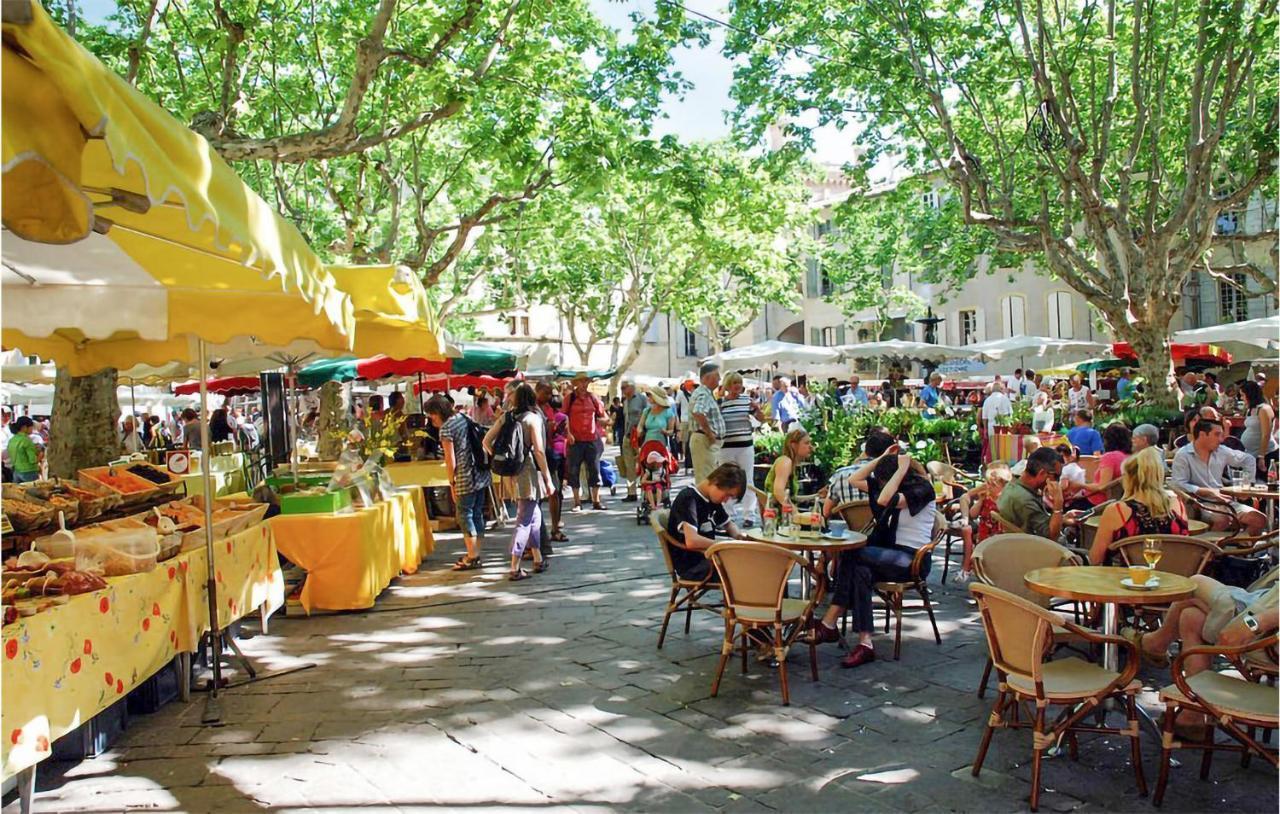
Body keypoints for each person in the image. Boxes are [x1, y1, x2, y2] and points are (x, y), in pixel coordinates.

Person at [809, 437, 938, 668]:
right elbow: (854, 478)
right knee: (859, 570)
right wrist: (883, 457)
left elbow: (886, 498)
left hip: (912, 559)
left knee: (853, 554)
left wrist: (901, 468)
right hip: (887, 555)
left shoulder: (922, 489)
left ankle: (829, 622)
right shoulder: (887, 484)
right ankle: (865, 643)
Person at [484, 383, 553, 581]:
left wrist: (505, 461)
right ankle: (514, 566)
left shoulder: (506, 416)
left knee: (534, 515)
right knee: (524, 519)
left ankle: (538, 558)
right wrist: (547, 478)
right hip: (527, 471)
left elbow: (486, 442)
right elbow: (539, 451)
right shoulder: (533, 419)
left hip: (511, 473)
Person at [1088, 447, 1190, 564]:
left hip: (1129, 579)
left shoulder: (1117, 510)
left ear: (1128, 478)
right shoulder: (1178, 505)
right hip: (1173, 577)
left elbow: (1095, 559)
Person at [1170, 418, 1265, 535]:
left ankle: (1237, 548)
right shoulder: (1183, 455)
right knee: (1222, 520)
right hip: (1199, 503)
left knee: (1259, 519)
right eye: (1217, 435)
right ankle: (1208, 550)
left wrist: (1247, 485)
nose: (1221, 439)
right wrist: (1208, 492)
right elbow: (1178, 484)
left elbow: (1248, 460)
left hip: (1226, 502)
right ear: (1202, 434)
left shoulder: (1222, 451)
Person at [426, 396, 488, 571]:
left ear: (438, 413)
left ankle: (472, 555)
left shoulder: (446, 429)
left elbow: (449, 458)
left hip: (463, 476)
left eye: (431, 415)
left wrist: (451, 482)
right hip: (479, 473)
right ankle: (476, 551)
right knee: (476, 513)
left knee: (464, 515)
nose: (431, 419)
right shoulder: (463, 418)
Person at [665, 462, 749, 587]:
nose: (726, 500)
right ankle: (747, 602)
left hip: (706, 558)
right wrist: (725, 545)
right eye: (728, 495)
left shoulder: (712, 500)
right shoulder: (689, 499)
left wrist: (738, 535)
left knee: (755, 561)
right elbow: (692, 541)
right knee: (751, 567)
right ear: (716, 482)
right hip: (692, 565)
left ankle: (746, 602)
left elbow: (728, 524)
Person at [718, 372, 764, 527]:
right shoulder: (721, 403)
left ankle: (749, 514)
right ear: (727, 385)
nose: (737, 386)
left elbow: (761, 419)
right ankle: (727, 514)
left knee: (748, 479)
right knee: (727, 479)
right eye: (733, 383)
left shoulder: (747, 400)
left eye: (739, 383)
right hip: (726, 447)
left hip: (745, 445)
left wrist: (757, 409)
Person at [998, 446, 1069, 540]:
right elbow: (1052, 536)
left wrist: (1062, 518)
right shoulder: (1025, 500)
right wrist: (1058, 504)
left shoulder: (1013, 486)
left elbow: (1036, 520)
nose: (1057, 481)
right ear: (1042, 473)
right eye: (1056, 476)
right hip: (1038, 550)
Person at [957, 462, 1013, 580]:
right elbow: (973, 514)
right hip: (984, 533)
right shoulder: (986, 497)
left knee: (996, 562)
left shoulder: (1007, 500)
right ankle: (981, 578)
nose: (987, 486)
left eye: (991, 485)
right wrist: (980, 501)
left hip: (999, 535)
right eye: (987, 483)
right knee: (982, 560)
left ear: (1003, 487)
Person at [565, 373, 607, 512]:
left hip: (592, 439)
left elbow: (603, 416)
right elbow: (563, 417)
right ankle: (577, 502)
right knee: (574, 470)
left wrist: (603, 421)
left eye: (586, 382)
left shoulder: (593, 398)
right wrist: (568, 433)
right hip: (575, 440)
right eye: (581, 382)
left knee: (595, 470)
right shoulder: (569, 398)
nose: (583, 385)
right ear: (576, 383)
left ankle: (596, 501)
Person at [534, 383, 569, 545]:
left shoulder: (548, 409)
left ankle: (555, 528)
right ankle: (537, 534)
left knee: (555, 491)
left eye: (550, 394)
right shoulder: (532, 409)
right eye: (546, 393)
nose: (549, 397)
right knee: (537, 497)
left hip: (549, 455)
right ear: (538, 392)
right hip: (536, 457)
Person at [1071, 422, 1131, 509]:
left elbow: (1102, 487)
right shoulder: (1129, 457)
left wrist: (1080, 485)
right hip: (1118, 502)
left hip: (1097, 504)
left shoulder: (1110, 457)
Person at [688, 362, 725, 483]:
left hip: (704, 439)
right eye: (717, 375)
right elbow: (698, 412)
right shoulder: (703, 393)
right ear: (707, 377)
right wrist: (709, 433)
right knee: (707, 478)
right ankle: (704, 502)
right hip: (704, 440)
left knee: (709, 476)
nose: (719, 379)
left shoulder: (705, 393)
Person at [764, 428, 814, 511]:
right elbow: (778, 492)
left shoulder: (789, 463)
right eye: (806, 443)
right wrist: (795, 512)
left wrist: (816, 496)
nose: (811, 447)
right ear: (793, 445)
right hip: (781, 517)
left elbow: (791, 497)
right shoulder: (785, 462)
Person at [1239, 380, 1277, 478]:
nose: (1241, 398)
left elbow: (1266, 434)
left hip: (1266, 454)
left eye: (1243, 395)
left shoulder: (1263, 409)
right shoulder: (1251, 409)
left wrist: (1261, 456)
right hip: (1251, 454)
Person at [619, 381, 648, 503]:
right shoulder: (625, 401)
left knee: (643, 464)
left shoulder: (642, 398)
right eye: (621, 388)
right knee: (629, 465)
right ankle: (631, 492)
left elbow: (647, 414)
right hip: (628, 435)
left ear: (631, 387)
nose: (623, 390)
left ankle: (646, 491)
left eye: (624, 387)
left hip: (640, 436)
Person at [980, 381, 1012, 461]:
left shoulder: (987, 400)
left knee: (993, 448)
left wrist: (985, 429)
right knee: (1003, 447)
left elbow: (984, 417)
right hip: (1004, 427)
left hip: (991, 426)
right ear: (1001, 389)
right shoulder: (1005, 399)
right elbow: (1010, 414)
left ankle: (993, 462)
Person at [7, 417, 41, 483]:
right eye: (31, 427)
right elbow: (33, 460)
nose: (32, 429)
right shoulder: (26, 440)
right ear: (24, 427)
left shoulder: (12, 440)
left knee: (17, 493)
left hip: (16, 472)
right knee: (32, 493)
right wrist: (41, 455)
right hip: (29, 473)